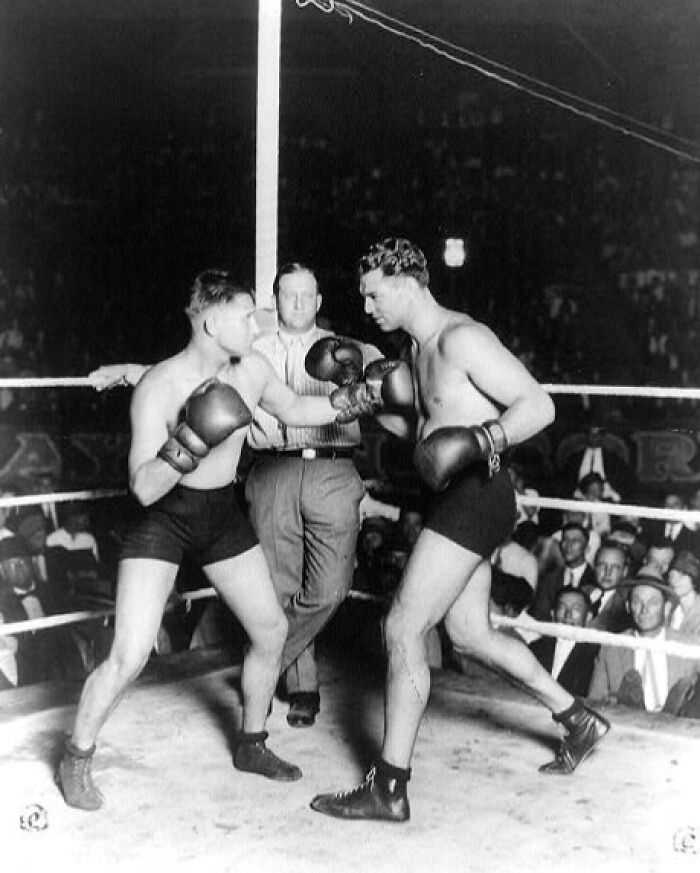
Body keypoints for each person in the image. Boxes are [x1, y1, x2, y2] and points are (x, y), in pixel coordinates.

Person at [310, 238, 609, 823]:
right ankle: (577, 718)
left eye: (374, 293)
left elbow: (538, 406)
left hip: (477, 493)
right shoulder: (416, 349)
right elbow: (427, 436)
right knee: (469, 634)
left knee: (402, 626)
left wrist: (482, 439)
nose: (367, 306)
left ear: (408, 282)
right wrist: (369, 405)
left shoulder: (461, 338)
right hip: (451, 492)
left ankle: (389, 786)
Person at [57, 269, 375, 811]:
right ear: (211, 321)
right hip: (163, 517)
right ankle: (76, 757)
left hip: (220, 514)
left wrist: (355, 397)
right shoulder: (159, 386)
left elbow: (298, 410)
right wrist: (193, 438)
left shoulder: (251, 369)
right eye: (246, 314)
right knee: (130, 654)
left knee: (272, 629)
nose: (258, 322)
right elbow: (142, 488)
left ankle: (252, 743)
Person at [243, 263, 382, 728]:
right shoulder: (250, 351)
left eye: (307, 295)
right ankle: (302, 685)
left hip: (332, 467)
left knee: (331, 589)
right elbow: (200, 377)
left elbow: (395, 375)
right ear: (275, 299)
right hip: (273, 469)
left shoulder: (350, 350)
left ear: (319, 300)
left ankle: (265, 669)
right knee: (279, 585)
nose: (298, 303)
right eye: (288, 295)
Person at [588, 568, 700, 712]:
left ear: (666, 609)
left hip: (676, 729)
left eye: (653, 602)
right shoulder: (611, 648)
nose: (644, 609)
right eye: (637, 601)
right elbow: (594, 704)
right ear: (628, 607)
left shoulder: (690, 646)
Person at [529, 586, 599, 697]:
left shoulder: (595, 655)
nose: (568, 615)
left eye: (576, 609)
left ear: (588, 617)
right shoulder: (535, 648)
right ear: (553, 614)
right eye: (562, 608)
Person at [529, 521, 596, 622]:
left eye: (575, 541)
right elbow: (539, 615)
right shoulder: (548, 578)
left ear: (587, 548)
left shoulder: (595, 579)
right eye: (565, 540)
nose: (568, 545)